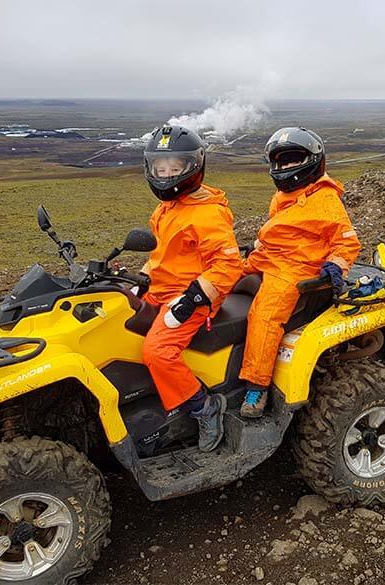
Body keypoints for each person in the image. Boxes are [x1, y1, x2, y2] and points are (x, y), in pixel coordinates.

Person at [239, 127, 361, 418]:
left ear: (313, 162)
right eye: (283, 161)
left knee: (265, 316)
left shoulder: (326, 199)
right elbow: (282, 231)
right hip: (266, 257)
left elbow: (346, 241)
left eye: (295, 160)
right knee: (220, 280)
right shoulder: (282, 197)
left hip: (294, 268)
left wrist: (335, 264)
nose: (288, 167)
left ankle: (257, 386)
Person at [140, 124, 243, 451]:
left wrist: (192, 298)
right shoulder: (165, 208)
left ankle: (204, 407)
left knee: (158, 351)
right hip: (161, 288)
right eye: (160, 168)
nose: (166, 174)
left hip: (192, 297)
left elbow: (228, 265)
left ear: (193, 167)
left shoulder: (208, 214)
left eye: (174, 168)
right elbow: (161, 255)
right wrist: (137, 280)